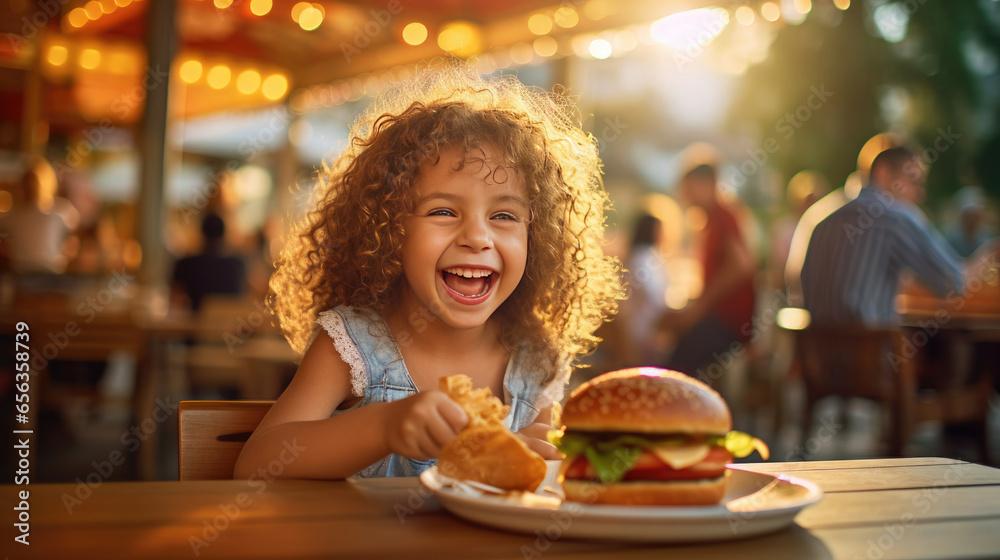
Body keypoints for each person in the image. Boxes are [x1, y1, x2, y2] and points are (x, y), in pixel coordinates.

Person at [234, 66, 623, 480]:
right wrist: (384, 427)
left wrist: (531, 460)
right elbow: (257, 466)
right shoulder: (352, 346)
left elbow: (540, 487)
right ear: (387, 230)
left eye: (504, 215)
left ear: (539, 235)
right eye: (442, 211)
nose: (477, 237)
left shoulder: (536, 361)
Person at [801, 146, 965, 326]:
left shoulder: (823, 222)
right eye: (913, 180)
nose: (919, 193)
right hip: (870, 350)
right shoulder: (895, 217)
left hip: (818, 350)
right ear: (883, 173)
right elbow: (950, 282)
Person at [661, 162, 755, 379]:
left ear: (707, 185)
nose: (687, 198)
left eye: (690, 190)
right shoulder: (712, 220)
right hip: (719, 319)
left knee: (677, 363)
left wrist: (699, 308)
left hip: (729, 323)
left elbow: (741, 265)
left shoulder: (724, 216)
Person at [171, 211, 247, 313]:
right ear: (223, 234)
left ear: (201, 232)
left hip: (195, 327)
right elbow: (244, 297)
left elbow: (174, 300)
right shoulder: (237, 265)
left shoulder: (186, 264)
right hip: (232, 326)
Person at [620, 213, 670, 366]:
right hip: (644, 329)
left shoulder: (642, 255)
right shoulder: (643, 257)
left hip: (642, 327)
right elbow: (652, 293)